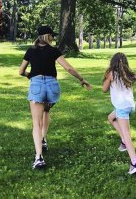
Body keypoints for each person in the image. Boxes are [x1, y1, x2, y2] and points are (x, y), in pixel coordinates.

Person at [19, 25, 91, 170]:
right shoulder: (54, 51)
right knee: (46, 111)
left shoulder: (30, 51)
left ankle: (39, 157)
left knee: (36, 123)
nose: (53, 37)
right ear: (47, 36)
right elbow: (68, 68)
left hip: (37, 85)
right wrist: (81, 79)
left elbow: (21, 71)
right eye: (52, 35)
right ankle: (44, 139)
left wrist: (31, 76)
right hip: (52, 86)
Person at [102, 52, 136, 175]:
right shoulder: (129, 74)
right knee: (111, 118)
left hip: (122, 108)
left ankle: (134, 163)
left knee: (127, 135)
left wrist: (107, 79)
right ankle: (123, 141)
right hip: (130, 106)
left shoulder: (111, 74)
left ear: (112, 62)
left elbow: (104, 89)